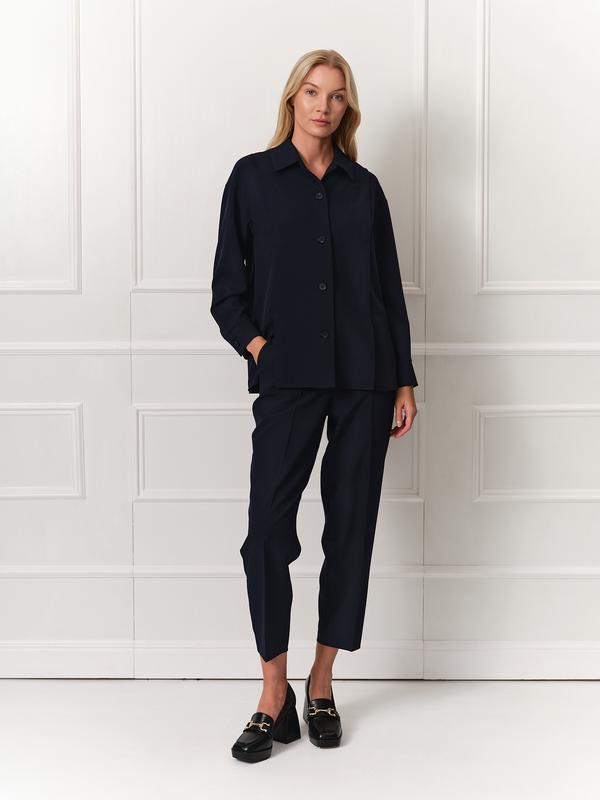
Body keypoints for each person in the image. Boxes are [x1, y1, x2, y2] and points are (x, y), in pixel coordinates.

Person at [210, 48, 418, 762]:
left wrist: (403, 379)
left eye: (336, 95)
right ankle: (273, 692)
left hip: (365, 377)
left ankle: (322, 681)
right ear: (292, 99)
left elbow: (388, 290)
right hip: (288, 377)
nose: (323, 105)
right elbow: (226, 291)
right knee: (267, 531)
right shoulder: (252, 179)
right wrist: (259, 347)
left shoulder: (364, 189)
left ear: (346, 107)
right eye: (311, 91)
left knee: (351, 528)